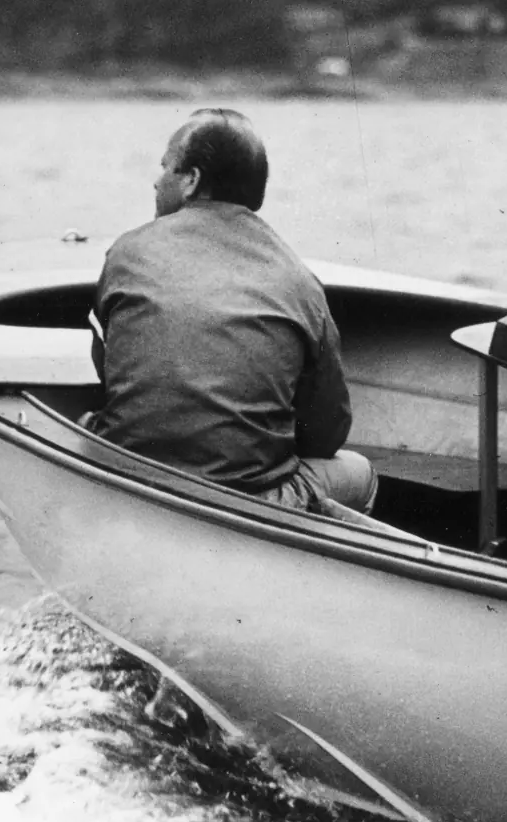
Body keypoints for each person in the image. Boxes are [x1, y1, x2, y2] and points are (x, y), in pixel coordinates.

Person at [86, 108, 377, 519]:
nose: (156, 180)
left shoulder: (126, 251)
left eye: (165, 167)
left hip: (130, 475)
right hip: (247, 501)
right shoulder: (299, 279)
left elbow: (108, 373)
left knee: (85, 423)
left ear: (191, 180)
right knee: (360, 473)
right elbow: (327, 434)